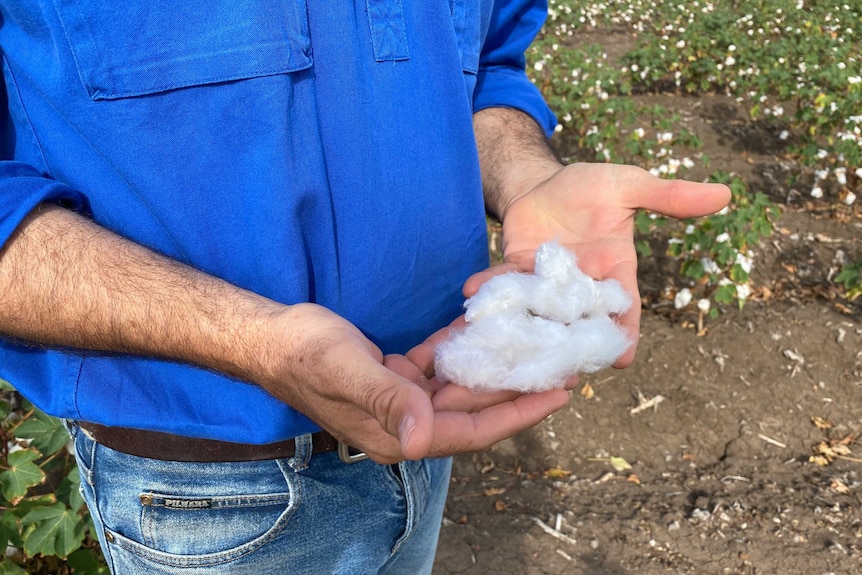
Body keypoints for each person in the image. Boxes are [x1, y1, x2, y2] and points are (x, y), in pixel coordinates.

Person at [0, 1, 730, 573]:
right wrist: (253, 341)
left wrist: (528, 176)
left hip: (426, 432)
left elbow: (483, 66)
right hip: (203, 494)